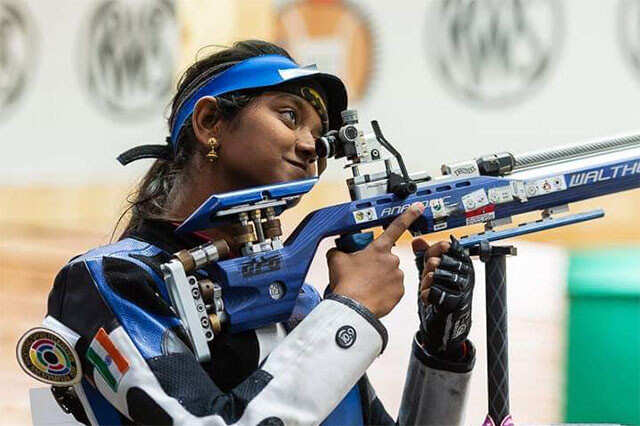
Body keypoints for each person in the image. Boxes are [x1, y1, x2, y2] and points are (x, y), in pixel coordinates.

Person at [39, 40, 476, 425]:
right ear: (210, 122)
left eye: (320, 139)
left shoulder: (296, 302)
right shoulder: (109, 280)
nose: (311, 147)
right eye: (289, 115)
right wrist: (350, 310)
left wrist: (441, 347)